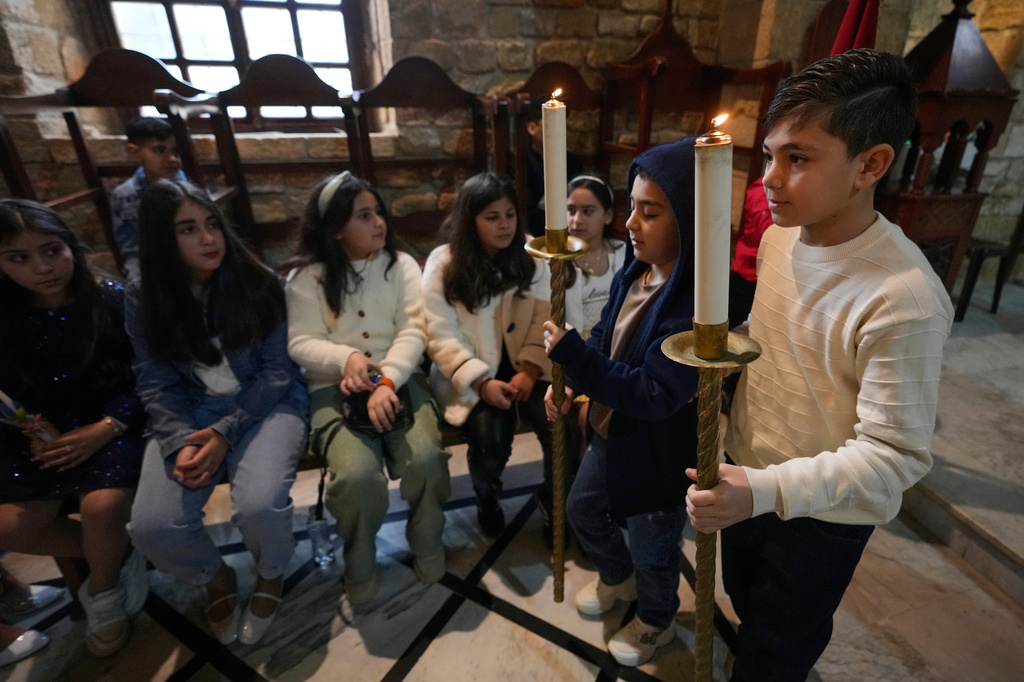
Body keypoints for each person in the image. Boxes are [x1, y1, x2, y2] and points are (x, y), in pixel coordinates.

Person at [685, 49, 954, 681]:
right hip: (747, 470)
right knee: (749, 604)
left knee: (783, 641)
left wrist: (767, 491)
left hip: (820, 518)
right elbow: (777, 339)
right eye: (772, 154)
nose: (769, 180)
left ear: (871, 164)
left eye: (798, 158)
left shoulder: (902, 297)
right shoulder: (783, 235)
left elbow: (894, 456)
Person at [545, 137, 737, 667]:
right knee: (582, 510)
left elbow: (653, 395)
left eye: (649, 212)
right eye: (631, 207)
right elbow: (606, 336)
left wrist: (577, 360)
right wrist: (573, 382)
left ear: (693, 223)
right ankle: (616, 577)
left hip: (658, 456)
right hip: (610, 434)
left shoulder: (693, 310)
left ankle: (656, 621)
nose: (630, 222)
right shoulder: (635, 272)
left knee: (655, 550)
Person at [126, 180, 309, 646]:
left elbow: (276, 372)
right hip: (190, 409)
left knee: (260, 503)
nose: (209, 239)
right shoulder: (144, 294)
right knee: (153, 526)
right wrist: (180, 439)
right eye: (188, 229)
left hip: (265, 403)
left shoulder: (259, 282)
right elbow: (155, 378)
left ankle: (270, 574)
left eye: (212, 224)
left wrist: (226, 432)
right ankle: (215, 577)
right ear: (162, 242)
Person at [286, 172, 451, 605]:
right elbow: (300, 342)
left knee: (427, 459)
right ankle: (359, 558)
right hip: (333, 390)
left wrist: (386, 381)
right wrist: (347, 359)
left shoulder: (401, 266)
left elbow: (413, 331)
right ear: (336, 228)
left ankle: (427, 537)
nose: (379, 222)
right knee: (357, 477)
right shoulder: (308, 280)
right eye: (364, 215)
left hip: (398, 378)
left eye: (378, 211)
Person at [0, 199, 147, 657]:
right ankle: (117, 552)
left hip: (114, 421)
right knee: (8, 526)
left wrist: (107, 426)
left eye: (52, 250)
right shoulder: (6, 316)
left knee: (103, 507)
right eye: (19, 258)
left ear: (71, 247)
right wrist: (30, 428)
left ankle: (104, 593)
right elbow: (10, 392)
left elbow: (149, 376)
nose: (43, 268)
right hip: (43, 436)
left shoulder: (109, 299)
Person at [422, 172, 554, 538]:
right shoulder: (444, 263)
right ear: (470, 220)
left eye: (510, 214)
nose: (504, 225)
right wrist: (479, 381)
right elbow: (438, 332)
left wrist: (529, 368)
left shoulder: (531, 254)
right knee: (490, 438)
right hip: (472, 374)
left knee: (559, 423)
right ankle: (487, 496)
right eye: (491, 217)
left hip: (527, 368)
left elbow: (544, 318)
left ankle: (554, 499)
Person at [109, 116, 185, 281]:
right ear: (134, 152)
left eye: (176, 151)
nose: (172, 159)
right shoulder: (124, 196)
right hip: (148, 263)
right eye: (159, 150)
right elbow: (130, 250)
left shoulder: (189, 190)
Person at [563, 174, 626, 341]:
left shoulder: (623, 253)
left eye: (587, 211)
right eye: (571, 211)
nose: (577, 220)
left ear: (608, 215)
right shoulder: (554, 260)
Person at [524, 101, 584, 237]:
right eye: (551, 124)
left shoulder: (572, 162)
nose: (559, 130)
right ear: (532, 128)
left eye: (561, 124)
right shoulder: (522, 164)